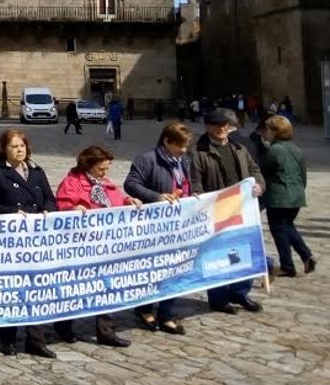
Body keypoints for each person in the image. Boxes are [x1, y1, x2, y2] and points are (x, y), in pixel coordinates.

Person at [55, 145, 143, 345]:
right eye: (100, 169)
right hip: (80, 247)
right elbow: (60, 208)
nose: (104, 173)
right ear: (88, 166)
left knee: (106, 287)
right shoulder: (71, 183)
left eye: (106, 169)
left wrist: (129, 201)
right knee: (73, 288)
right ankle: (63, 327)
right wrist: (72, 209)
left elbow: (117, 200)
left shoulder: (106, 184)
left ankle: (106, 331)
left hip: (105, 247)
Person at [0, 129, 57, 357]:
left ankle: (36, 339)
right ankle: (8, 338)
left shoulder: (36, 171)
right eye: (14, 146)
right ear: (4, 149)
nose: (19, 150)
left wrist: (47, 210)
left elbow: (50, 199)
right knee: (11, 291)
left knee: (36, 290)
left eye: (22, 145)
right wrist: (14, 212)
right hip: (9, 244)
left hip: (35, 243)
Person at [191, 109, 266, 313]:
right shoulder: (198, 152)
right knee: (216, 255)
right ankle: (219, 298)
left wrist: (259, 185)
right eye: (217, 126)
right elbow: (195, 184)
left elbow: (255, 171)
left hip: (241, 209)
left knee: (245, 251)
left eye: (224, 125)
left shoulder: (239, 148)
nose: (222, 129)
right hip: (215, 212)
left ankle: (240, 292)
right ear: (208, 127)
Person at [124, 122, 193, 334]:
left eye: (186, 146)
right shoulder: (147, 160)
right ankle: (144, 308)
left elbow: (191, 184)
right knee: (151, 270)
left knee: (175, 269)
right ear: (166, 141)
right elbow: (131, 184)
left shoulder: (185, 161)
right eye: (179, 145)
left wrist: (195, 194)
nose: (183, 150)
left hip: (180, 224)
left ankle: (166, 313)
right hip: (155, 226)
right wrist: (157, 197)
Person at [253, 114, 315, 278]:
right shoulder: (296, 149)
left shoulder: (274, 150)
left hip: (279, 196)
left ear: (274, 132)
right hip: (296, 195)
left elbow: (262, 170)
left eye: (267, 130)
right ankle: (306, 256)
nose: (265, 133)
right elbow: (303, 173)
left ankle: (287, 266)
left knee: (279, 229)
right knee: (288, 226)